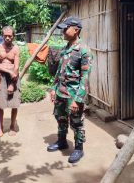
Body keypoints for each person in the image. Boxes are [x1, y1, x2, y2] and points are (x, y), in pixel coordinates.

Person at [47, 16, 93, 164]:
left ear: (76, 30)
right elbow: (59, 72)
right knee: (60, 118)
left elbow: (84, 78)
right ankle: (62, 141)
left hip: (73, 95)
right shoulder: (65, 48)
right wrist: (53, 89)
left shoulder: (84, 50)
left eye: (66, 28)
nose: (63, 31)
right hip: (61, 92)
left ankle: (79, 148)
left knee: (77, 122)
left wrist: (78, 99)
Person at [0, 26, 21, 136]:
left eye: (10, 36)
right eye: (5, 36)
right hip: (1, 77)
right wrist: (5, 71)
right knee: (0, 104)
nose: (7, 38)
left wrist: (12, 83)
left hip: (13, 77)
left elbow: (16, 66)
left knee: (14, 103)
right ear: (2, 36)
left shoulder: (16, 49)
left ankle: (12, 126)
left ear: (13, 36)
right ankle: (0, 126)